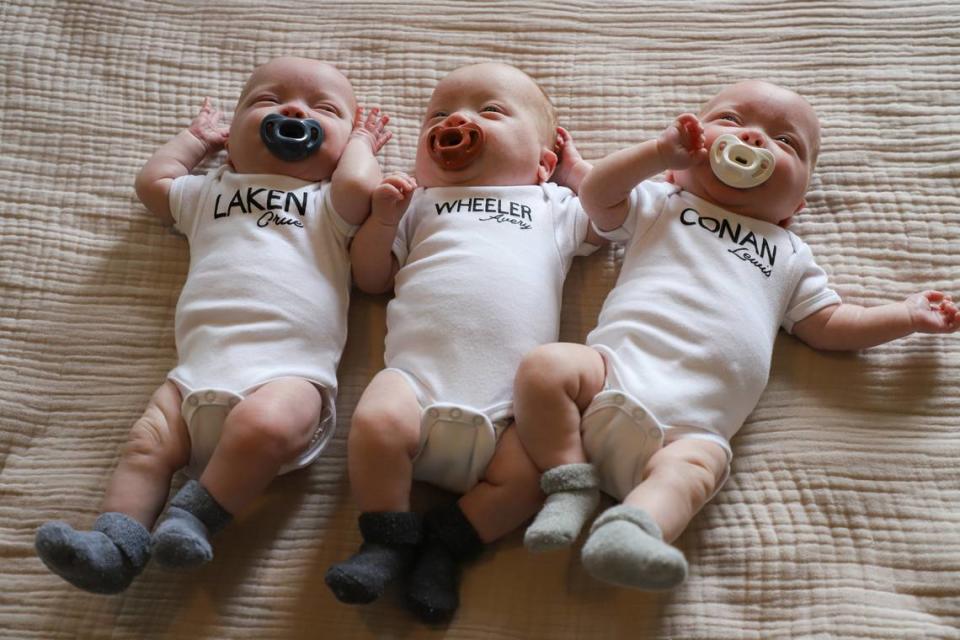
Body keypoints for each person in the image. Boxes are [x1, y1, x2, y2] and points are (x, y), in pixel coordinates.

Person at [513, 80, 959, 590]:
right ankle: (569, 482)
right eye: (728, 121)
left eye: (786, 143)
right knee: (544, 368)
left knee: (697, 471)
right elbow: (597, 195)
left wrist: (902, 315)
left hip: (691, 429)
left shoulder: (789, 254)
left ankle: (636, 530)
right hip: (609, 376)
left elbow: (831, 325)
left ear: (796, 205)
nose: (751, 137)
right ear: (682, 163)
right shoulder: (664, 202)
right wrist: (657, 154)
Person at [35, 57, 391, 594]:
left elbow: (362, 185)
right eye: (267, 102)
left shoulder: (328, 204)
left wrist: (363, 143)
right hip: (193, 376)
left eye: (324, 110)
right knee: (146, 445)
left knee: (263, 427)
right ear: (231, 139)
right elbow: (154, 184)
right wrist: (194, 141)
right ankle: (115, 544)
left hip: (287, 378)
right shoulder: (209, 193)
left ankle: (195, 516)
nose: (293, 110)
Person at [325, 62, 598, 622]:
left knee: (530, 477)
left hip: (511, 411)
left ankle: (448, 546)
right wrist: (381, 222)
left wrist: (577, 175)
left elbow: (611, 216)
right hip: (417, 386)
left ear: (542, 162)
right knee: (375, 422)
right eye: (440, 115)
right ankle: (385, 537)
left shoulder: (554, 208)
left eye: (491, 111)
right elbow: (371, 279)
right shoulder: (416, 203)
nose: (458, 122)